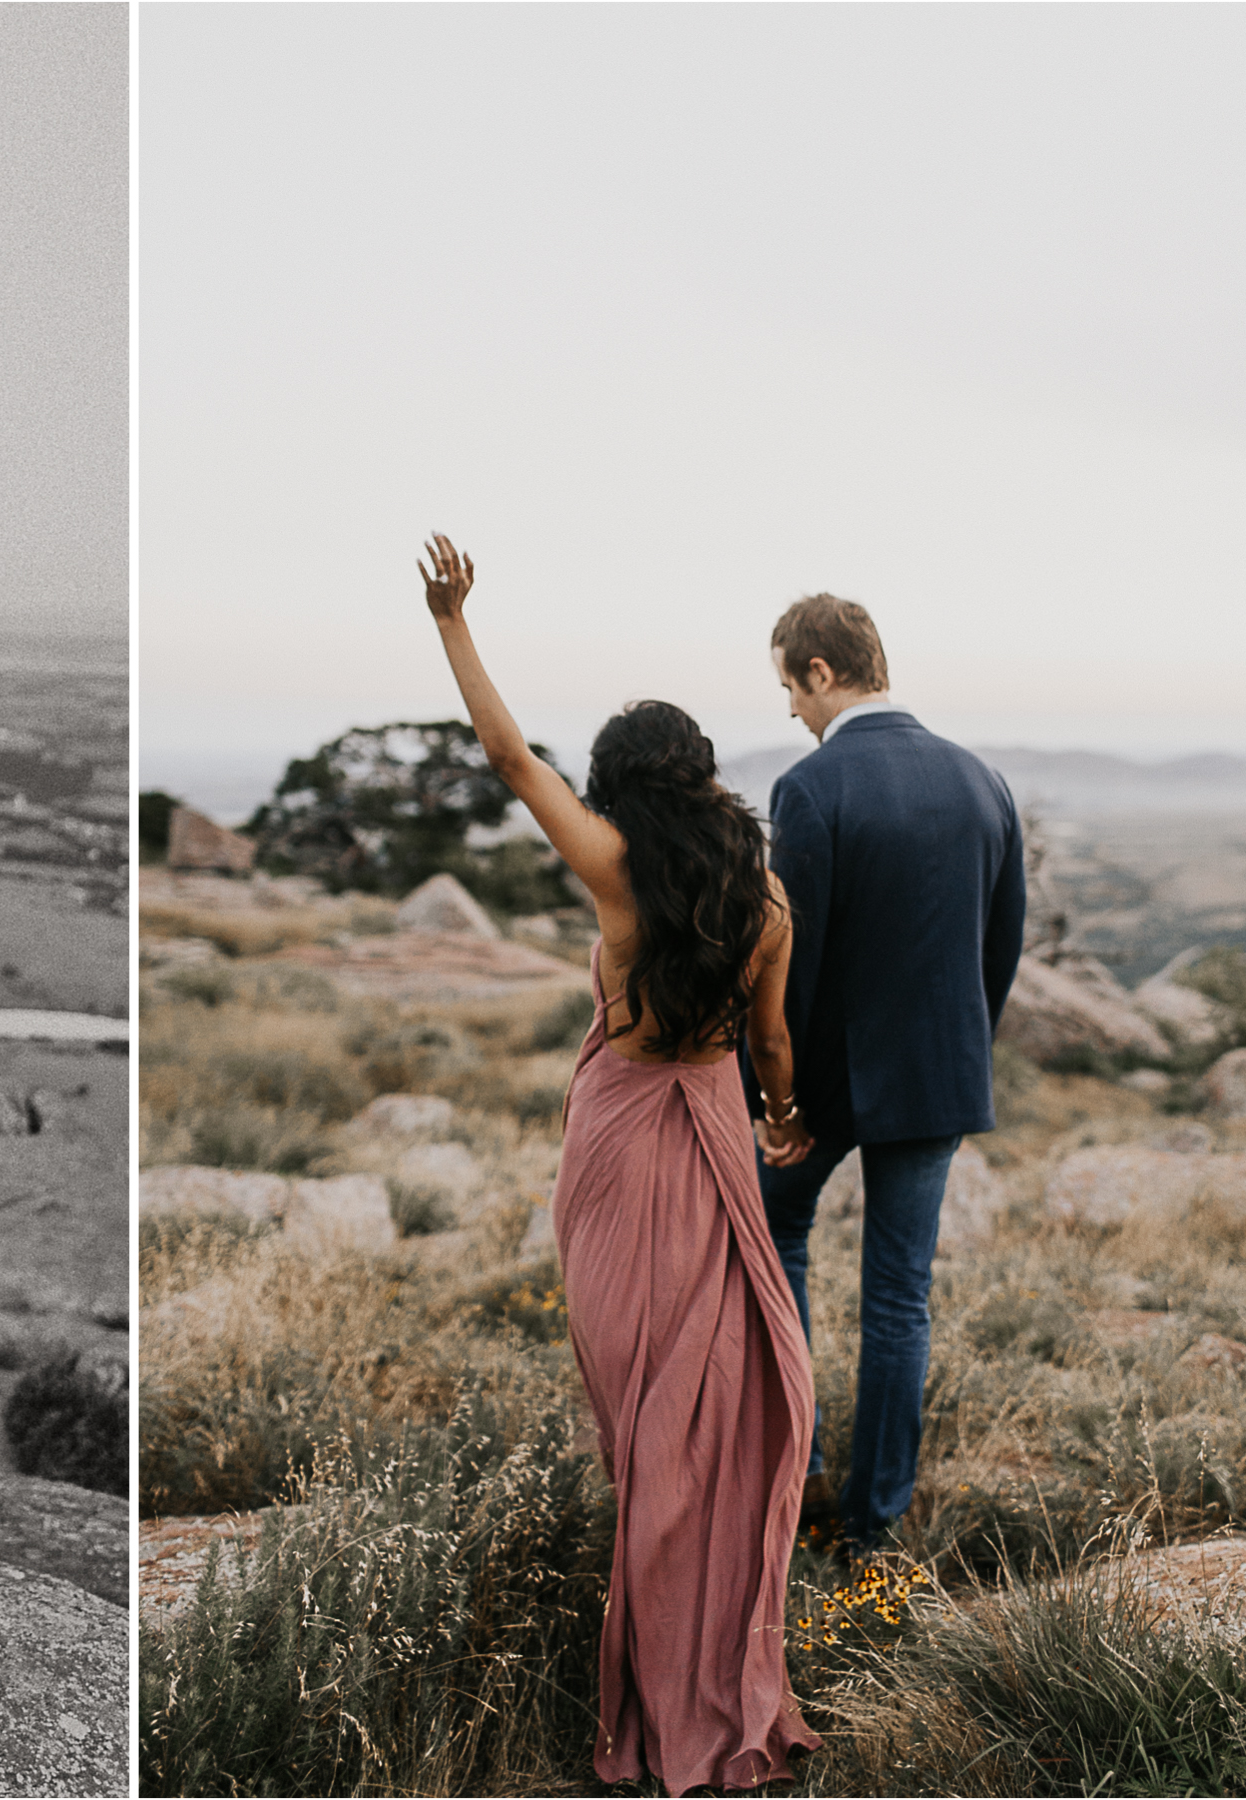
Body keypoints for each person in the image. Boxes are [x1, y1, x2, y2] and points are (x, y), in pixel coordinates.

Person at [421, 535, 821, 1796]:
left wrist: (451, 623)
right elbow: (769, 1044)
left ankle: (657, 1677)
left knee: (641, 1420)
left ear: (618, 789)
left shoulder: (612, 872)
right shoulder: (765, 905)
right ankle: (701, 1658)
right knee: (707, 1411)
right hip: (712, 1139)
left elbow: (503, 754)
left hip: (614, 1147)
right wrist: (786, 1117)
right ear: (702, 778)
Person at [748, 595, 1024, 1561]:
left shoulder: (810, 788)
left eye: (788, 683)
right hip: (939, 1077)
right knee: (900, 1298)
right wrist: (961, 1052)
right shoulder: (981, 779)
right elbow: (1002, 945)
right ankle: (874, 1522)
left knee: (774, 1235)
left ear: (821, 671)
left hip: (829, 1087)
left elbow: (796, 963)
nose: (789, 707)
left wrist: (777, 1104)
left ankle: (801, 1469)